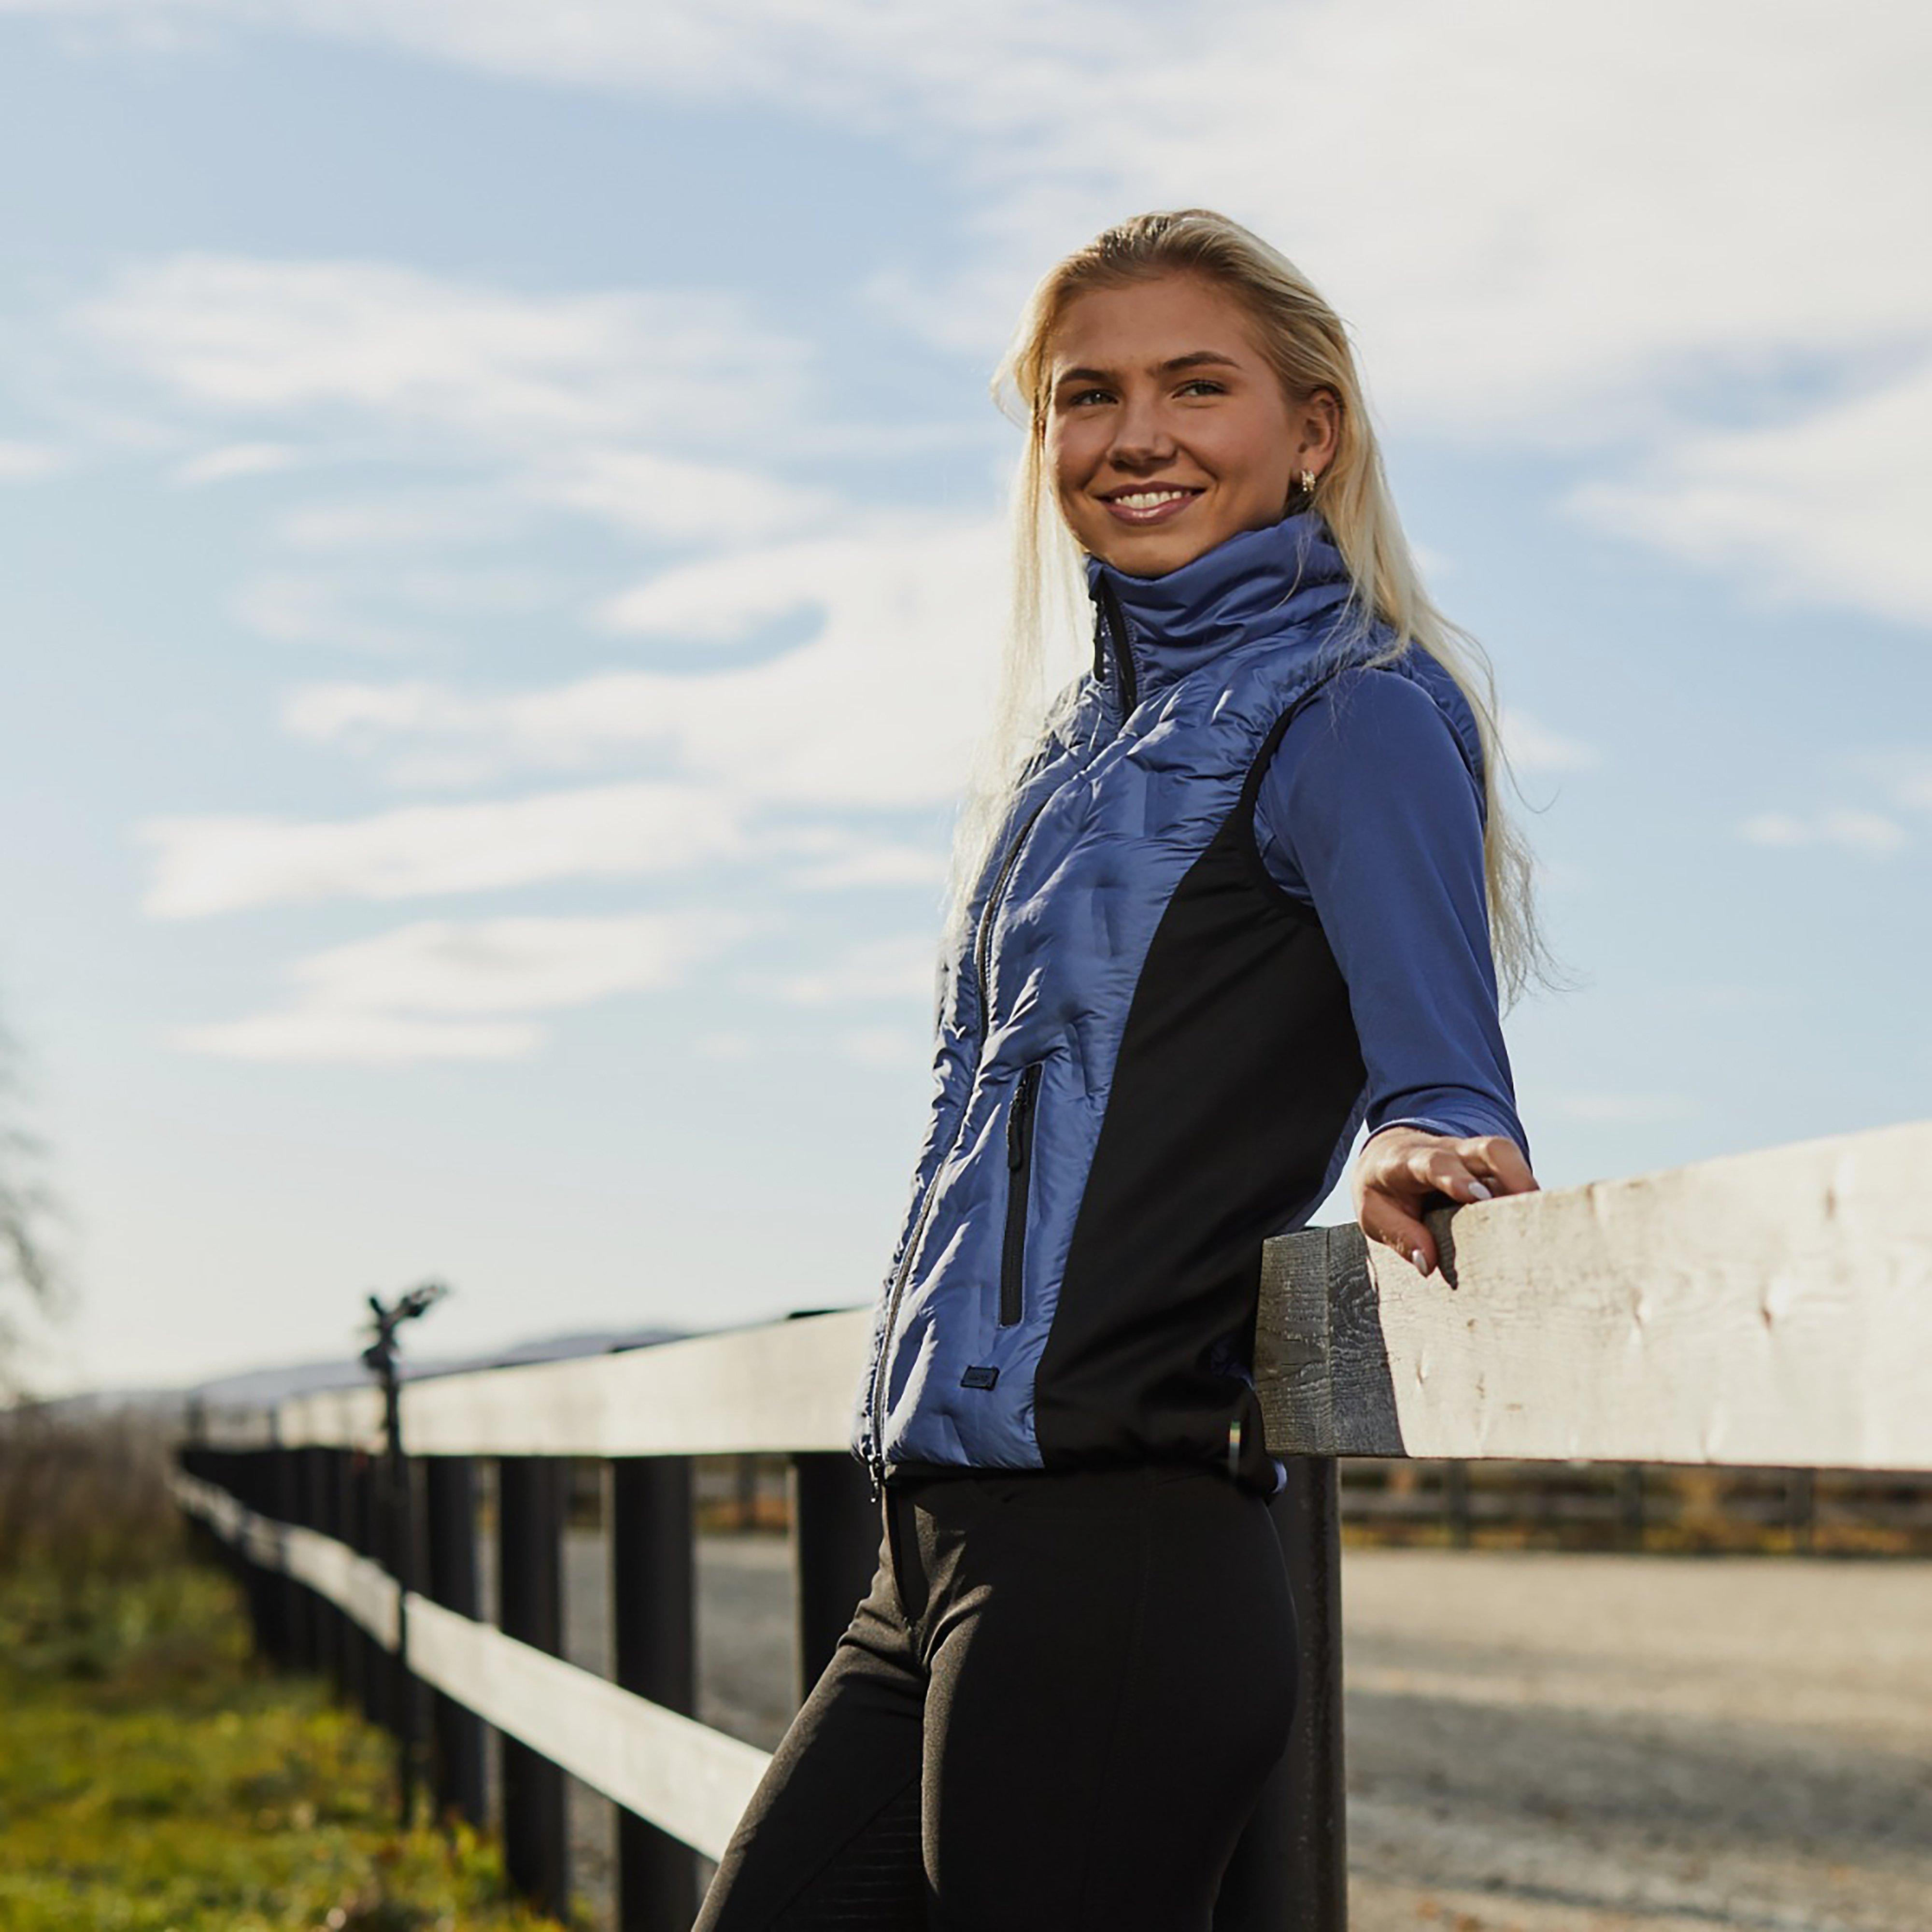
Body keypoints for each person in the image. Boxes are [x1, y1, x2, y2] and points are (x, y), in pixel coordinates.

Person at [693, 207, 1557, 1932]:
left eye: (1195, 384)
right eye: (1088, 396)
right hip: (934, 1551)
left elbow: (1448, 1076)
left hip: (1118, 1563)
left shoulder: (1356, 710)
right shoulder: (1070, 759)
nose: (1135, 434)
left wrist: (1428, 1143)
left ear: (1311, 430)